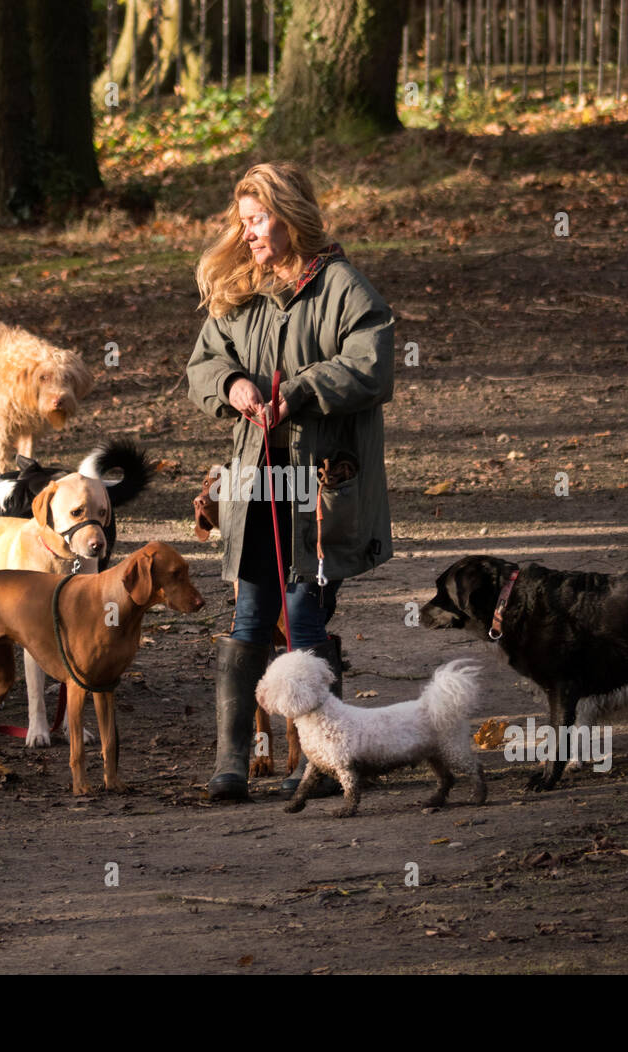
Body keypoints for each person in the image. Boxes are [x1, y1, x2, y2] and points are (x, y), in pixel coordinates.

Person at [186, 161, 395, 801]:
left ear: (290, 217)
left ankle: (326, 765)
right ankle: (231, 764)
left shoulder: (343, 286)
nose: (247, 233)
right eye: (243, 221)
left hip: (321, 487)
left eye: (258, 220)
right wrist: (231, 384)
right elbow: (203, 363)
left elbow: (372, 366)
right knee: (250, 614)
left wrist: (300, 390)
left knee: (304, 613)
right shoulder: (241, 289)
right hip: (256, 485)